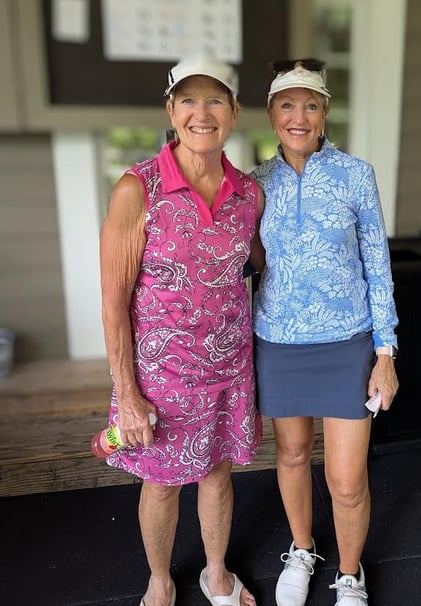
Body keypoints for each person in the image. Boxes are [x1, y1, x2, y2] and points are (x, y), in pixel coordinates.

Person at [99, 55, 264, 606]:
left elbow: (263, 264)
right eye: (188, 100)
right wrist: (127, 394)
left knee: (218, 474)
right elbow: (113, 303)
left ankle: (216, 573)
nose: (202, 113)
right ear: (171, 111)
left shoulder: (248, 194)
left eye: (215, 100)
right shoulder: (137, 189)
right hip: (161, 376)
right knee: (163, 482)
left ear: (234, 112)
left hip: (229, 367)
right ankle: (160, 579)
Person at [251, 59, 399, 606]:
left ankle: (350, 574)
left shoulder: (356, 175)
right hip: (278, 341)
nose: (299, 116)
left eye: (310, 105)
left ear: (325, 113)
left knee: (346, 480)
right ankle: (302, 548)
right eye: (287, 105)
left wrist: (385, 352)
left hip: (347, 343)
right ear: (271, 115)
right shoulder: (255, 183)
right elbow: (248, 262)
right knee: (291, 455)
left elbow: (377, 264)